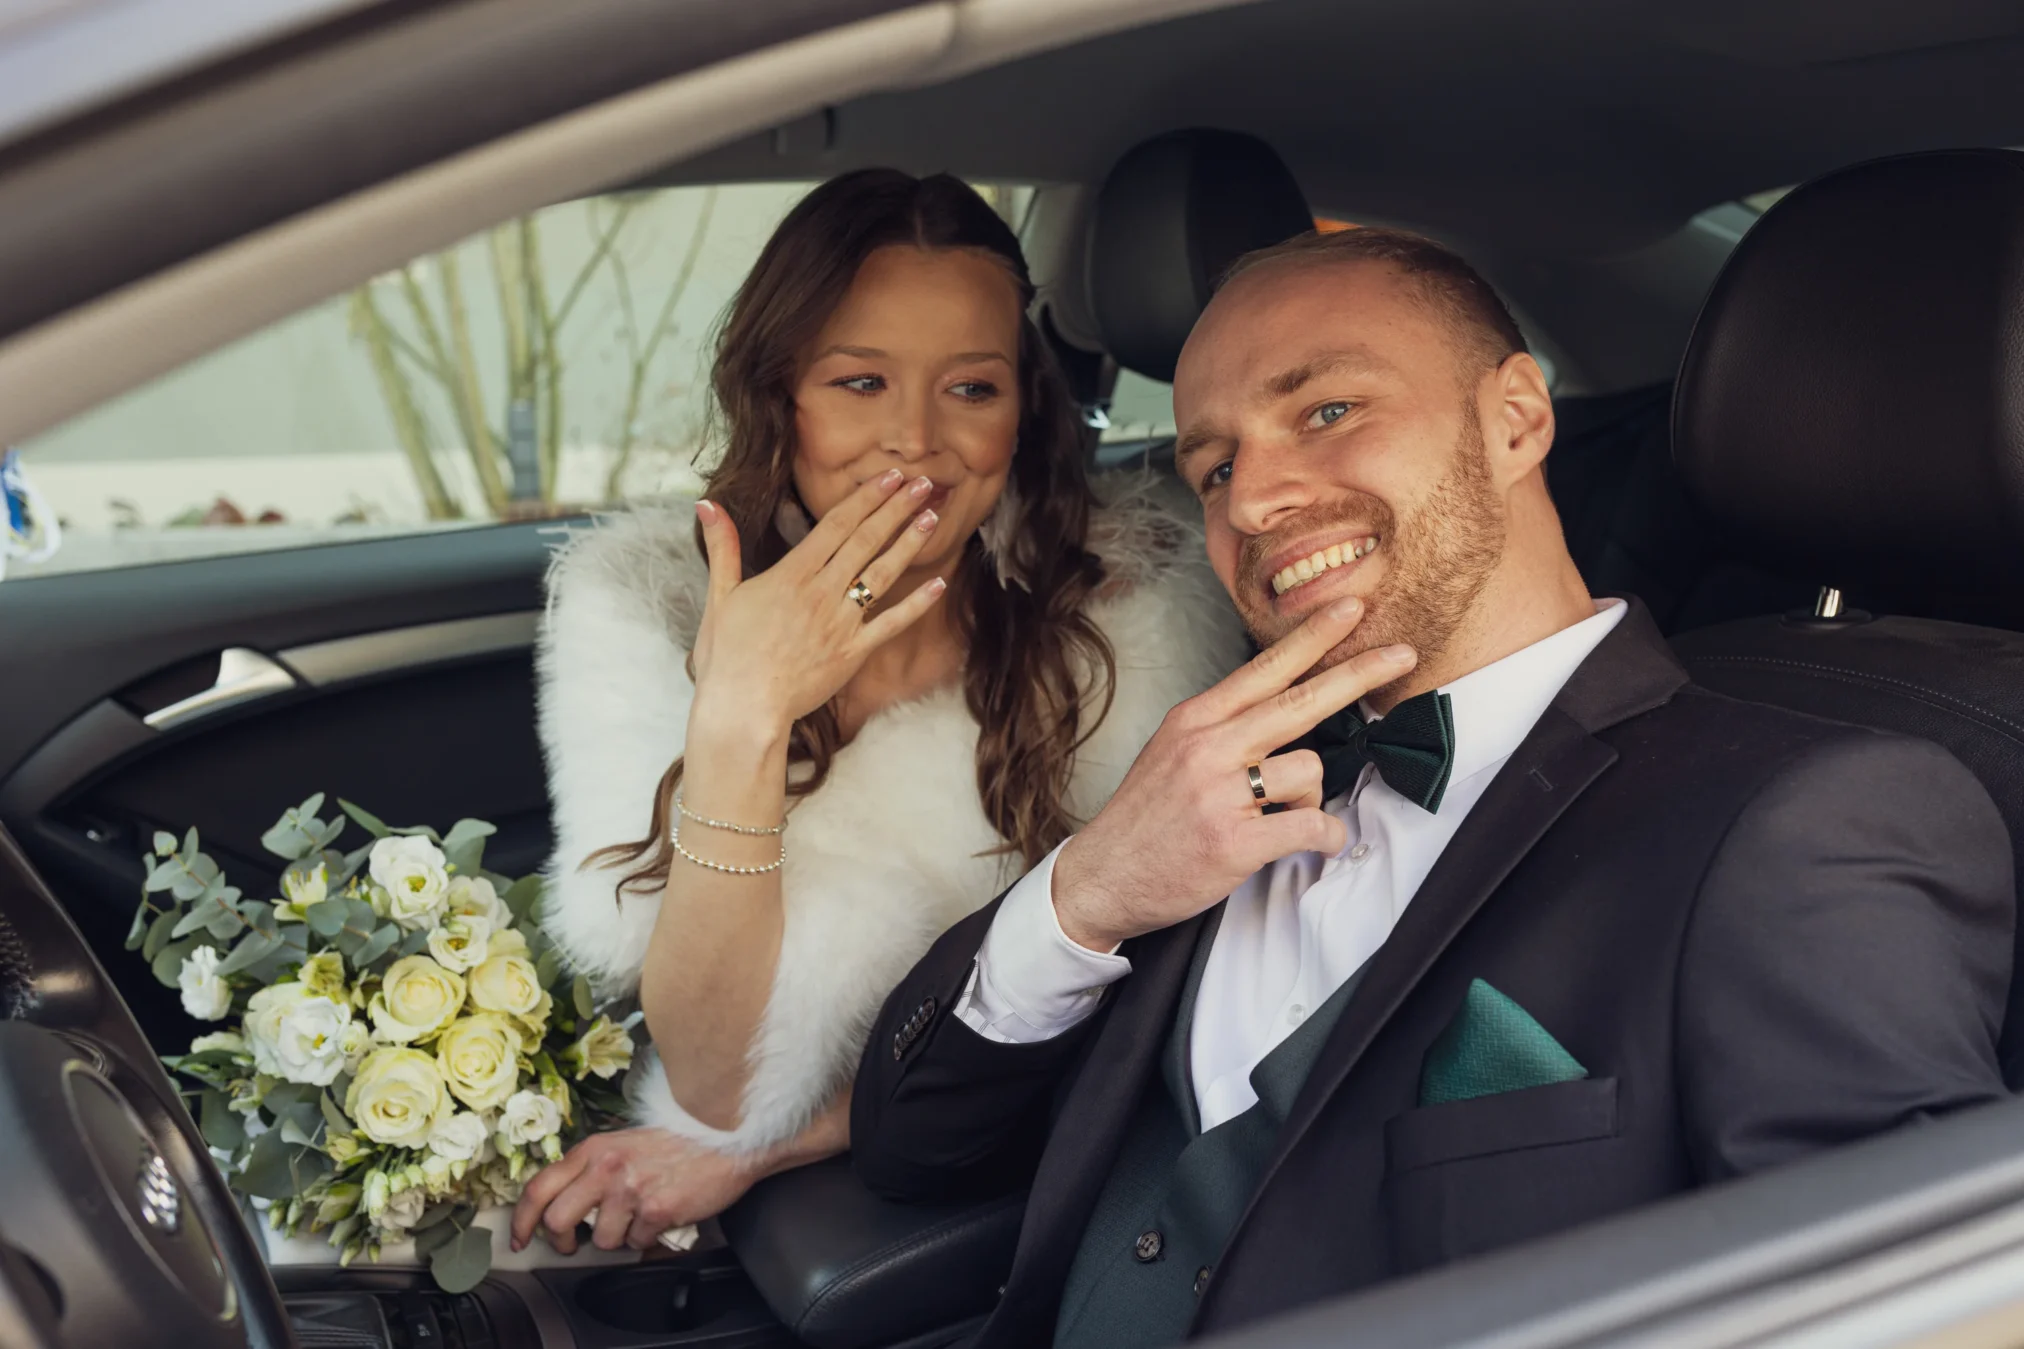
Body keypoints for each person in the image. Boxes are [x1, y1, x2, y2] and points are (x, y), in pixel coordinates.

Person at [850, 226, 2015, 1346]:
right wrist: (1090, 891)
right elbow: (910, 1148)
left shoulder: (1802, 818)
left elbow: (1916, 1302)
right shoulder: (1205, 784)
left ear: (1514, 418)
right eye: (1213, 467)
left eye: (1326, 411)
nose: (1250, 502)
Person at [510, 170, 1248, 1254]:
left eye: (971, 388)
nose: (914, 439)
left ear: (1021, 413)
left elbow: (1134, 1008)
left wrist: (788, 1138)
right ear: (779, 395)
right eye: (860, 381)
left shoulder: (1130, 623)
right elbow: (716, 1081)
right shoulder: (645, 609)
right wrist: (744, 713)